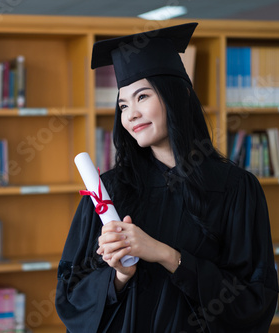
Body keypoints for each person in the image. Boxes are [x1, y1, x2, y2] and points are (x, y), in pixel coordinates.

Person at [55, 22, 279, 332]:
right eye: (123, 104)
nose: (130, 114)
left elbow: (255, 300)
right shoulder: (108, 191)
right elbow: (70, 298)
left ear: (177, 95)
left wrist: (167, 256)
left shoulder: (235, 189)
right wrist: (119, 275)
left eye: (142, 97)